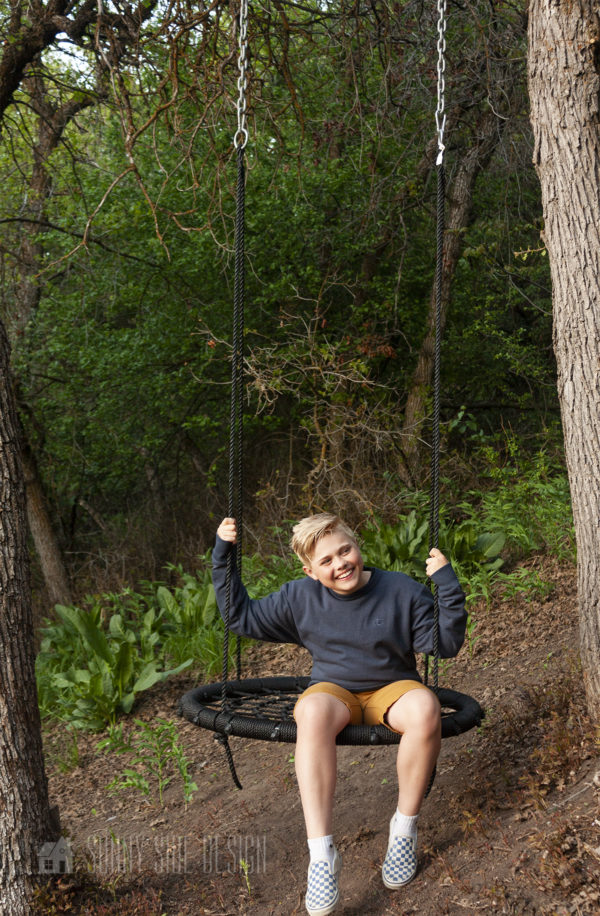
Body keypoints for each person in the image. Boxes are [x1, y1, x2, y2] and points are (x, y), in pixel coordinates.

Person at [212, 512, 467, 916]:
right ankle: (321, 855)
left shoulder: (401, 590)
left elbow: (445, 644)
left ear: (357, 545)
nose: (340, 564)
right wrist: (223, 556)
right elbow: (240, 617)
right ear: (310, 572)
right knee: (311, 710)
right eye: (326, 561)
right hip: (334, 692)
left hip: (393, 689)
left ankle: (403, 830)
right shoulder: (299, 597)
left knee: (425, 707)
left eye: (344, 551)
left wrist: (447, 585)